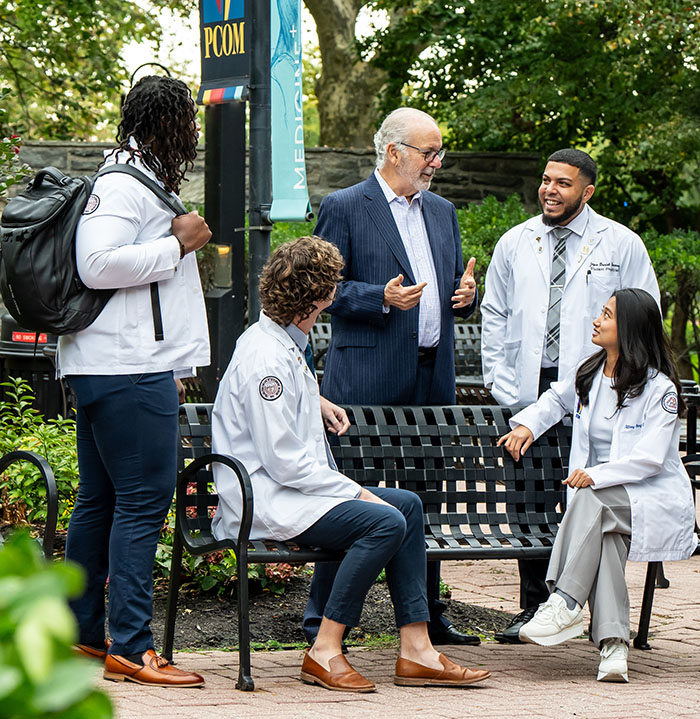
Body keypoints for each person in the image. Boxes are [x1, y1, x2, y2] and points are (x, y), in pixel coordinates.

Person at [211, 237, 490, 692]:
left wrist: (315, 400)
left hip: (291, 492)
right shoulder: (267, 357)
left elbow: (278, 414)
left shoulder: (279, 338)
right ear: (318, 298)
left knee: (409, 507)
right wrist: (350, 490)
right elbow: (283, 461)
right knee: (382, 522)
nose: (336, 291)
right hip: (267, 498)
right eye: (333, 285)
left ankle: (417, 650)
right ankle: (324, 649)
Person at [306, 107, 479, 647]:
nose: (436, 162)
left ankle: (423, 616)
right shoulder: (344, 206)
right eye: (428, 152)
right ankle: (323, 620)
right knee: (353, 499)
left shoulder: (443, 211)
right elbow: (321, 287)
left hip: (432, 378)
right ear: (393, 152)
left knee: (426, 496)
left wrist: (465, 297)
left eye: (439, 153)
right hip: (365, 379)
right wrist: (377, 296)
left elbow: (450, 286)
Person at [59, 75, 211, 687]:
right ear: (168, 125)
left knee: (100, 501)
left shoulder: (127, 177)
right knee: (145, 501)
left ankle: (83, 635)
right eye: (187, 125)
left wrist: (173, 362)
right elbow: (96, 265)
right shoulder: (125, 185)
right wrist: (175, 245)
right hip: (126, 369)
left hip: (111, 365)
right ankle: (133, 646)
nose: (193, 137)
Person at [481, 148, 661, 643]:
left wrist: (623, 378)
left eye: (563, 183)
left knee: (591, 497)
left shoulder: (620, 244)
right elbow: (494, 312)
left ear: (587, 191)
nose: (550, 190)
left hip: (601, 388)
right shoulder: (517, 241)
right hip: (527, 387)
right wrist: (500, 380)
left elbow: (645, 313)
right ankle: (535, 607)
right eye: (546, 180)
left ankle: (582, 604)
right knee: (529, 501)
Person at [498, 287, 697, 682]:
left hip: (649, 495)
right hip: (601, 502)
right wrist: (526, 424)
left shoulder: (660, 389)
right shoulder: (589, 373)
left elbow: (651, 458)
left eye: (606, 315)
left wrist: (596, 476)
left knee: (593, 501)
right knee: (603, 536)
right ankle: (613, 646)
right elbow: (555, 401)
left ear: (629, 329)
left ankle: (564, 601)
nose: (597, 320)